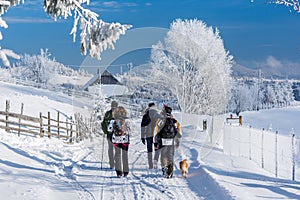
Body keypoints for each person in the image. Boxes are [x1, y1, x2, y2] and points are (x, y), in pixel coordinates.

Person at [154, 105, 181, 178]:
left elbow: (157, 131)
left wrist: (156, 142)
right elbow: (178, 129)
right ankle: (170, 172)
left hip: (163, 140)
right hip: (171, 140)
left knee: (163, 155)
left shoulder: (160, 120)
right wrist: (177, 140)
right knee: (170, 155)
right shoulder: (174, 121)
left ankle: (164, 168)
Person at [108, 106, 130, 177]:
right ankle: (125, 171)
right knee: (125, 155)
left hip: (116, 140)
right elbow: (130, 130)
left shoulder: (113, 120)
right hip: (125, 140)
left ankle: (119, 172)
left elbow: (109, 130)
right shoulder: (127, 120)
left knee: (117, 155)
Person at [141, 102, 162, 169]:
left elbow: (143, 126)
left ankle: (150, 164)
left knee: (149, 149)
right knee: (157, 148)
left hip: (148, 134)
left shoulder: (146, 115)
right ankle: (155, 160)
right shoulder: (158, 114)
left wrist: (142, 137)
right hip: (156, 134)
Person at [101, 100, 118, 169]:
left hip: (110, 134)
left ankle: (112, 163)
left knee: (111, 149)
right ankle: (115, 162)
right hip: (116, 135)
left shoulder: (107, 114)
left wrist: (105, 131)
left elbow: (103, 124)